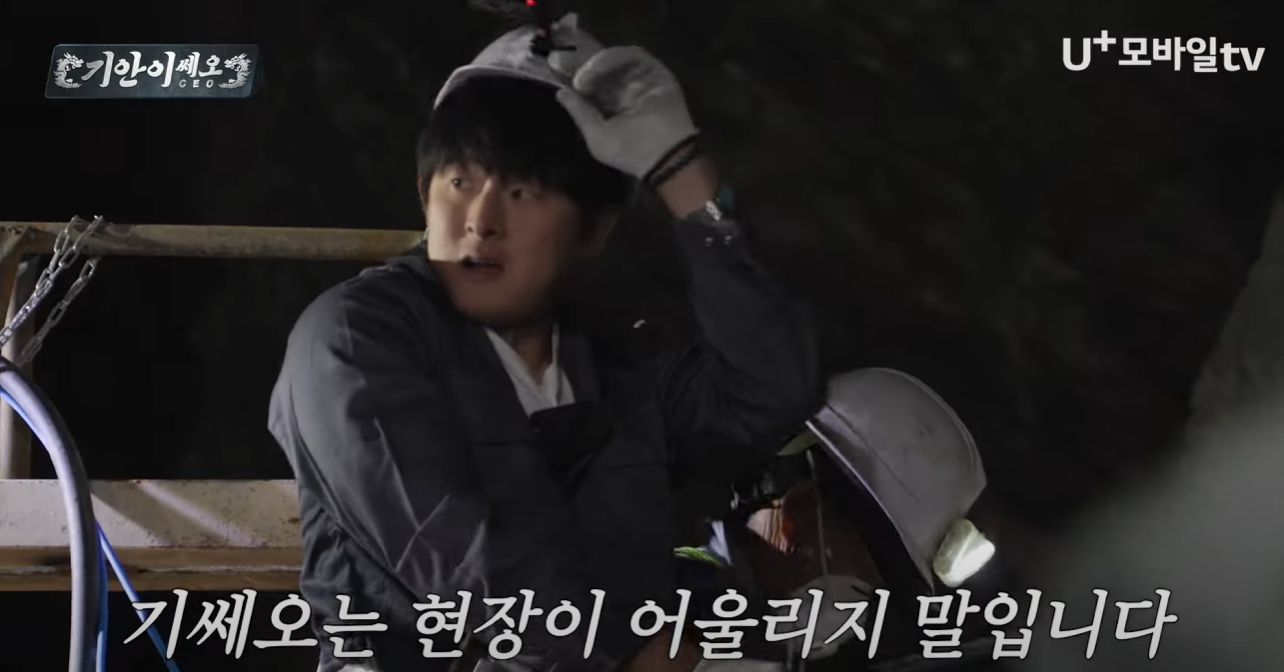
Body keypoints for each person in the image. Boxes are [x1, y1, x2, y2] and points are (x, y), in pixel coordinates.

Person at [268, 14, 823, 672]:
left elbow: (775, 389)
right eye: (460, 182)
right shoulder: (354, 339)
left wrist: (680, 176)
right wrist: (632, 657)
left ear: (595, 230)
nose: (481, 221)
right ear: (423, 193)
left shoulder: (621, 363)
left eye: (523, 191)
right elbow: (464, 565)